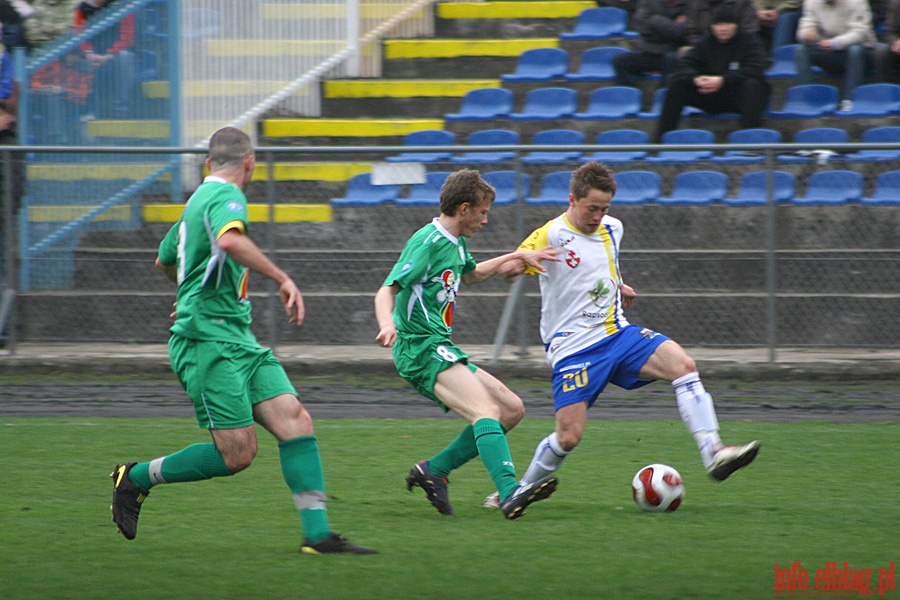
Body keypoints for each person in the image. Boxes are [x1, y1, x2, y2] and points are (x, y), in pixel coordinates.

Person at [109, 127, 376, 555]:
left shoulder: (195, 202)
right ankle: (136, 478)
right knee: (236, 454)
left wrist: (189, 292)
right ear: (249, 163)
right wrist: (283, 278)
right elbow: (230, 240)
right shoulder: (224, 197)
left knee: (295, 421)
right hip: (207, 342)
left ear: (207, 163)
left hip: (237, 338)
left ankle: (318, 535)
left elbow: (164, 259)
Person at [482, 161, 760, 509]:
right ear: (572, 199)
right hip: (574, 347)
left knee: (683, 365)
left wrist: (618, 286)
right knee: (569, 437)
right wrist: (519, 262)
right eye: (591, 208)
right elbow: (510, 270)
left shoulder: (613, 228)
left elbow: (603, 265)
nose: (598, 215)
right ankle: (519, 488)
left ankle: (714, 452)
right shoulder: (551, 233)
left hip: (616, 333)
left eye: (604, 208)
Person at [374, 169, 561, 521]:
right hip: (420, 347)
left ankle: (435, 469)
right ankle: (510, 492)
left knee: (511, 408)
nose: (486, 220)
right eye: (483, 212)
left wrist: (516, 258)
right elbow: (388, 288)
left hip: (438, 345)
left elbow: (469, 274)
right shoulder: (427, 242)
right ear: (464, 209)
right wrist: (387, 324)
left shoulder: (455, 241)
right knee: (485, 411)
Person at [655, 4, 770, 141]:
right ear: (712, 26)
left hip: (737, 94)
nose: (722, 28)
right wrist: (696, 79)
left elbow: (755, 69)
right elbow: (685, 65)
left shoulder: (750, 41)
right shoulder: (705, 42)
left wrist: (723, 80)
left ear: (736, 25)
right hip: (710, 94)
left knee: (752, 85)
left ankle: (752, 141)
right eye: (718, 24)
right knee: (677, 84)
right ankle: (660, 141)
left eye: (727, 24)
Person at [795, 0, 877, 110]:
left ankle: (849, 100)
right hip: (829, 49)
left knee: (855, 50)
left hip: (860, 50)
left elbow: (861, 32)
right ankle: (808, 98)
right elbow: (806, 25)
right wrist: (806, 34)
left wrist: (835, 43)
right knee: (801, 50)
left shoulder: (857, 2)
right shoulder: (811, 2)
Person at [74, 0, 136, 116]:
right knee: (77, 62)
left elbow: (127, 37)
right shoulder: (82, 8)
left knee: (125, 57)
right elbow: (80, 34)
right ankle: (87, 110)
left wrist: (109, 55)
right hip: (92, 54)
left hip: (115, 53)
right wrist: (89, 53)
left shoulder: (123, 5)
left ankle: (121, 105)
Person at [612, 0, 690, 87]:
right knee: (621, 60)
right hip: (651, 52)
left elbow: (683, 32)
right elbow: (641, 27)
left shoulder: (690, 3)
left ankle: (662, 98)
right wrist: (671, 27)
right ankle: (629, 98)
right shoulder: (648, 2)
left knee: (671, 58)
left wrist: (654, 21)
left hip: (674, 54)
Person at [874, 0, 900, 82]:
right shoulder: (896, 4)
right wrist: (895, 42)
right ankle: (889, 88)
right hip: (898, 48)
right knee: (881, 52)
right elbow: (889, 32)